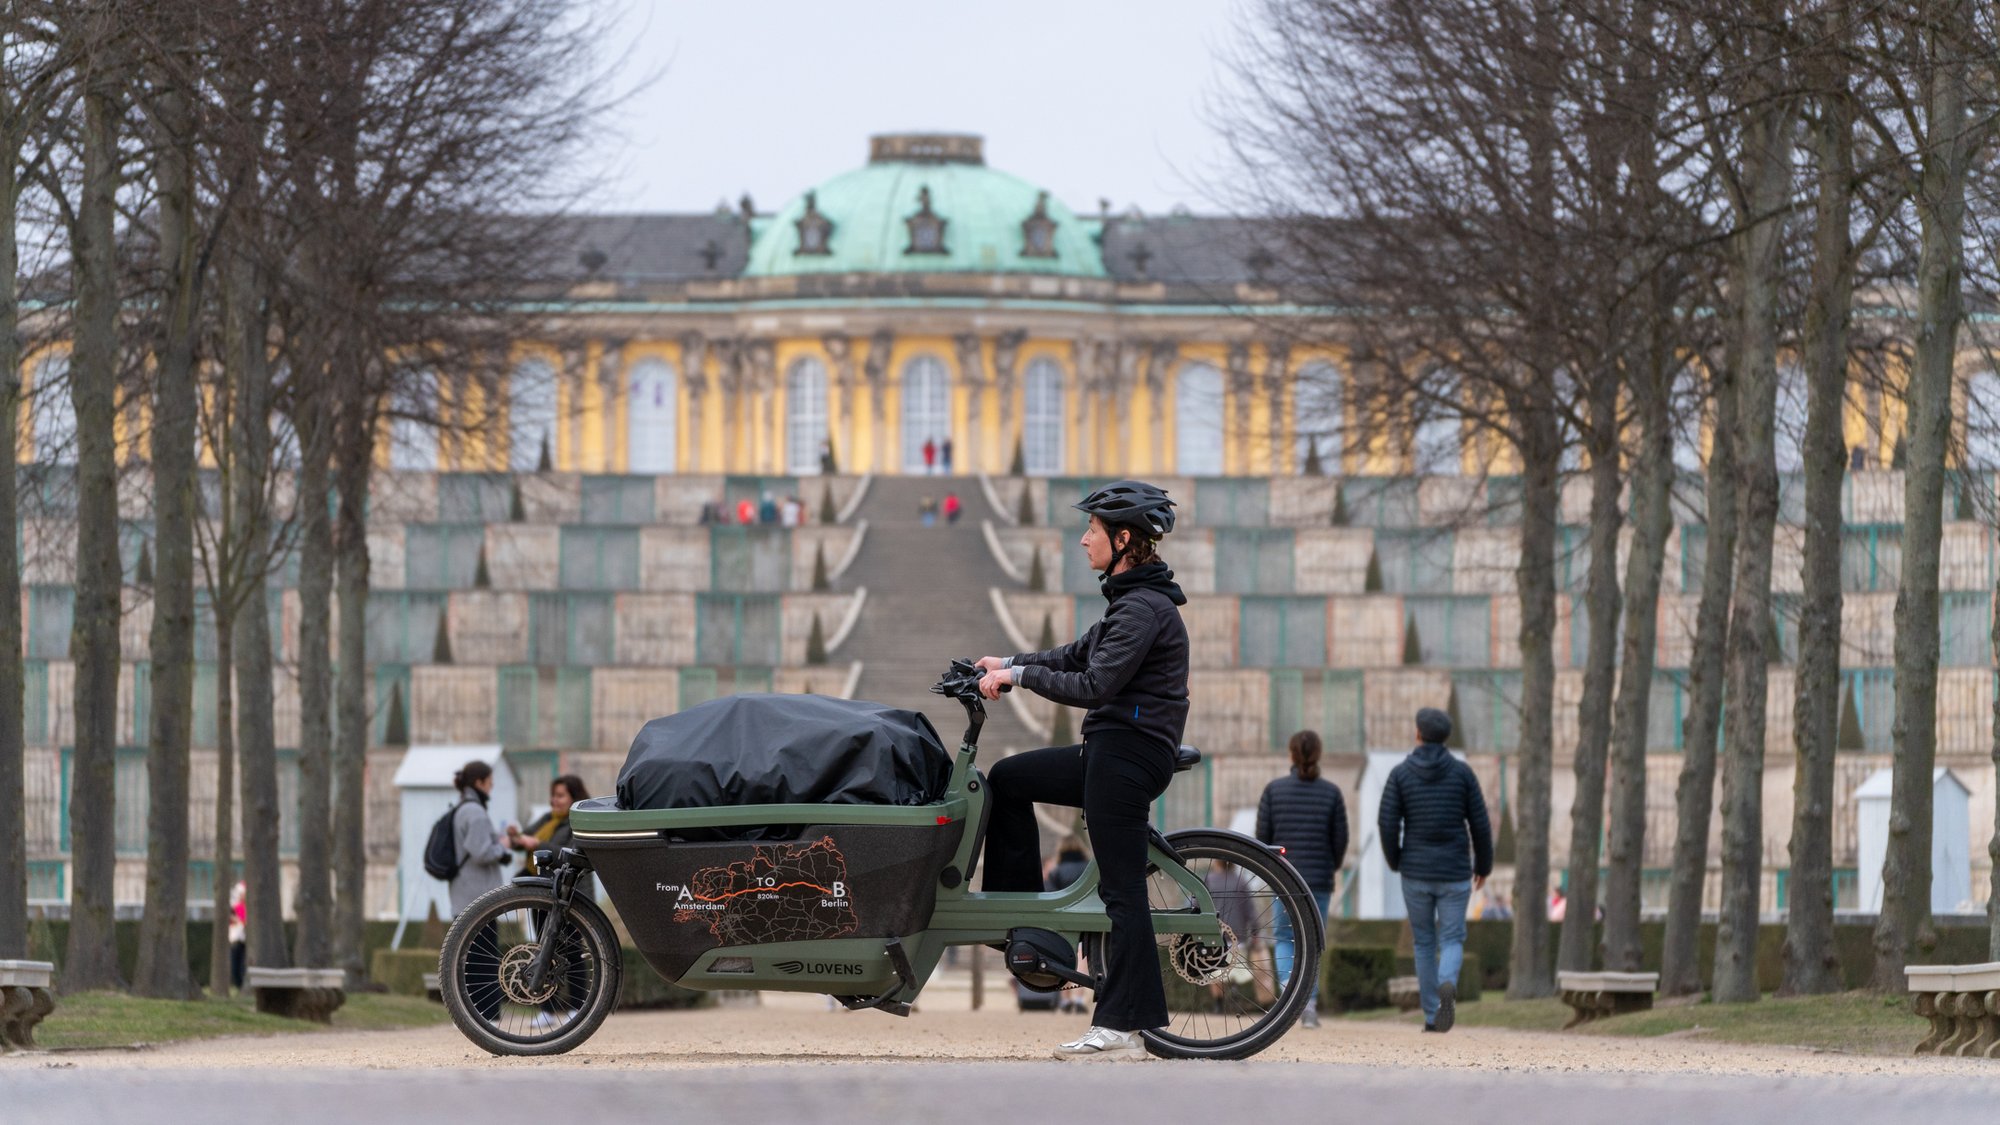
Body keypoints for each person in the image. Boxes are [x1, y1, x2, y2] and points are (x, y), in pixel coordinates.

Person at [973, 480, 1189, 1061]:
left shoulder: (1146, 609)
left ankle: (1121, 1026)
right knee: (1010, 779)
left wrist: (1017, 679)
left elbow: (1093, 684)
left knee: (1122, 894)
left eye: (1092, 530)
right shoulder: (1130, 603)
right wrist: (1009, 661)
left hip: (1125, 758)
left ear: (1123, 539)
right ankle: (1028, 928)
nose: (1083, 540)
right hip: (1108, 751)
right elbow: (1074, 654)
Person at [1378, 708, 1493, 1034]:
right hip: (1455, 869)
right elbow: (1480, 824)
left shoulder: (1400, 774)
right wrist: (1482, 865)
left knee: (1424, 942)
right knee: (1453, 937)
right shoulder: (1463, 774)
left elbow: (1387, 823)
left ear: (1418, 734)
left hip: (1415, 869)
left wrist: (1395, 859)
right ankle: (1447, 983)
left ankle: (1432, 1014)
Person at [1255, 729, 1348, 1028]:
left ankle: (1287, 996)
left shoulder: (1274, 790)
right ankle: (1308, 1005)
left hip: (1284, 878)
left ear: (1291, 754)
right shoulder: (1332, 793)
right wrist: (1328, 866)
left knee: (1284, 937)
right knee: (1313, 943)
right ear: (1318, 754)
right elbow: (1340, 840)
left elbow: (1261, 838)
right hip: (1318, 879)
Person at [507, 774, 593, 1030]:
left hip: (570, 895)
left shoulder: (578, 822)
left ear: (573, 797)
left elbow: (574, 855)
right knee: (542, 948)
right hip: (543, 893)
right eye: (553, 795)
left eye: (560, 796)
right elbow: (526, 842)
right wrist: (516, 837)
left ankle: (577, 1006)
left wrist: (537, 844)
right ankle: (547, 1007)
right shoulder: (547, 820)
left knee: (572, 952)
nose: (554, 800)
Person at [449, 760, 515, 1022]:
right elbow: (481, 851)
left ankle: (471, 1015)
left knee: (470, 958)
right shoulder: (474, 812)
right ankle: (486, 1015)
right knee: (484, 959)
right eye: (490, 783)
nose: (492, 787)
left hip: (465, 893)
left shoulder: (463, 808)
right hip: (478, 896)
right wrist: (503, 847)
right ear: (479, 783)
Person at [1042, 836, 1093, 1014]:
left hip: (1063, 920)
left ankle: (1065, 1000)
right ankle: (1079, 998)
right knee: (1082, 957)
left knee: (1063, 957)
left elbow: (1049, 895)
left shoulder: (1056, 871)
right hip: (1087, 918)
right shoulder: (1089, 869)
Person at [228, 881, 247, 990]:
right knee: (235, 962)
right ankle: (238, 984)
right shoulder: (235, 907)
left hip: (244, 938)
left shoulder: (245, 907)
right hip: (236, 938)